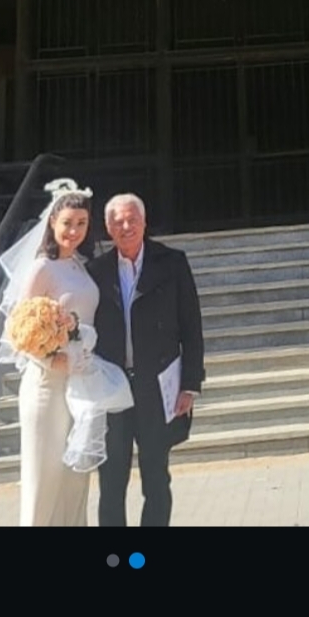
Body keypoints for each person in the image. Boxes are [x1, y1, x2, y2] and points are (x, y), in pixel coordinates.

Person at [0, 179, 130, 527]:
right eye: (67, 222)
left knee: (75, 480)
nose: (74, 231)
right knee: (45, 480)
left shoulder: (79, 265)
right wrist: (51, 359)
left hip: (80, 384)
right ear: (52, 221)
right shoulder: (41, 268)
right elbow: (19, 329)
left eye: (81, 223)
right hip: (47, 385)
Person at [92, 193, 205, 528]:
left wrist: (190, 384)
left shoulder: (172, 263)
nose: (125, 227)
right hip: (112, 389)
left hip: (156, 386)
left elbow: (191, 326)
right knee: (111, 481)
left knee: (156, 478)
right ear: (108, 228)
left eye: (132, 219)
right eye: (117, 221)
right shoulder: (96, 271)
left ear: (144, 222)